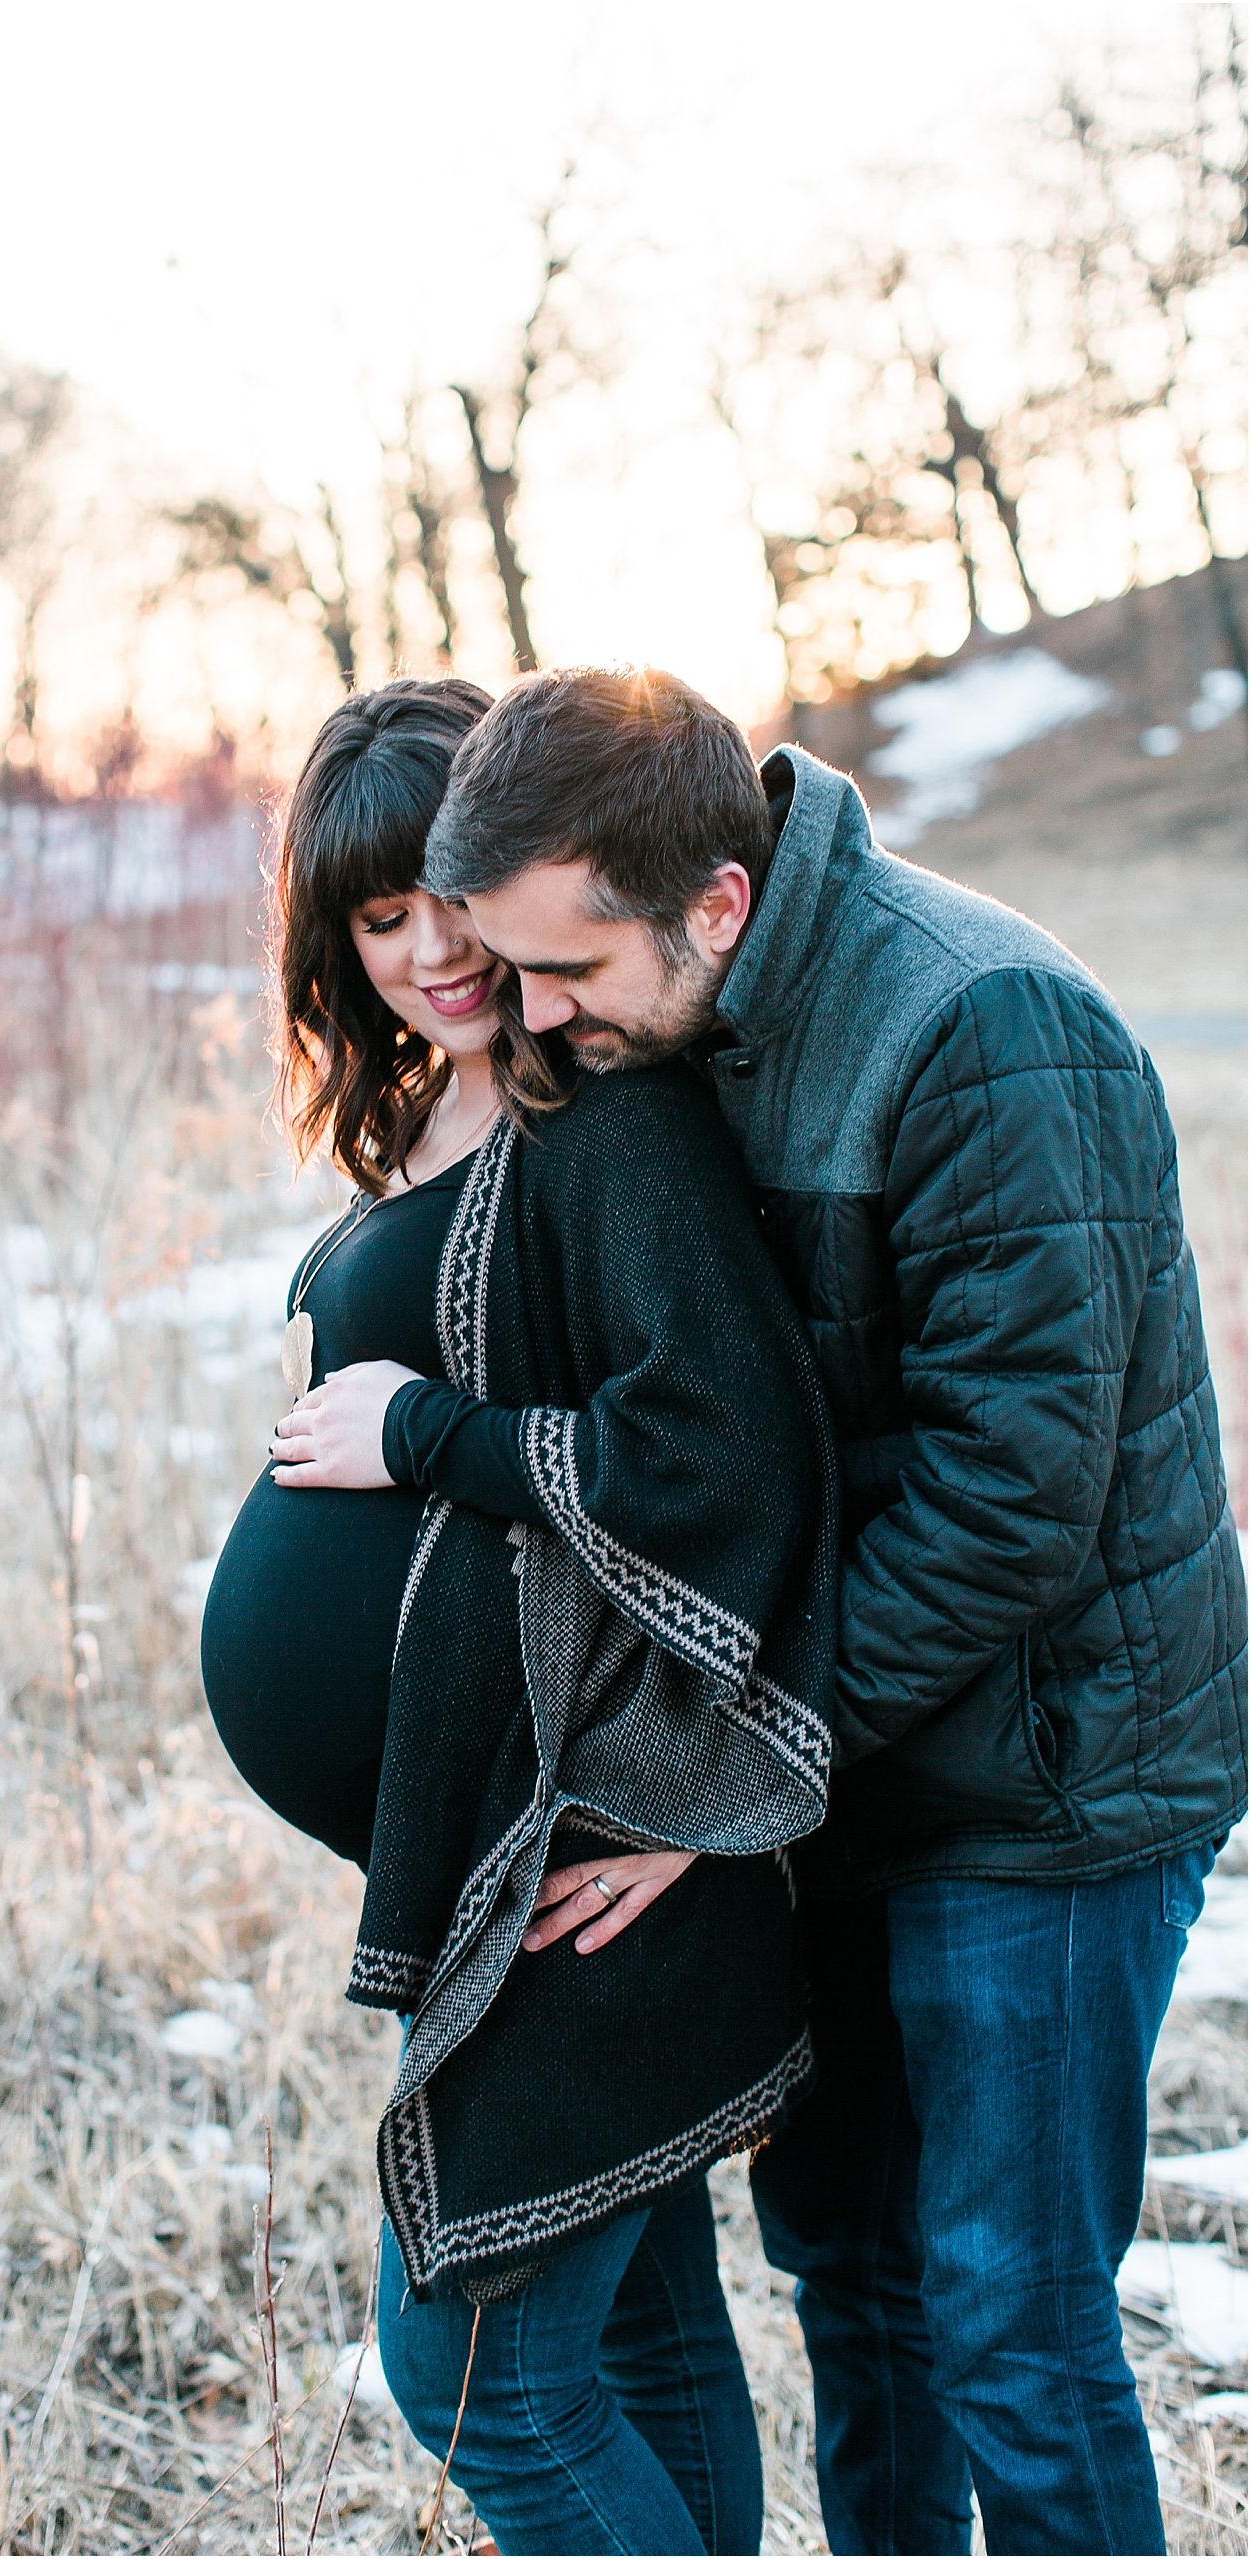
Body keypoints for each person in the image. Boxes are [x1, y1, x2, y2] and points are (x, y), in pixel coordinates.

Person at [420, 662, 1248, 2559]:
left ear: (715, 901)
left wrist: (723, 1771)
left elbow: (1008, 1504)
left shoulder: (984, 1027)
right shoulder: (671, 1016)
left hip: (1048, 1785)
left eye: (567, 971)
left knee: (1013, 2331)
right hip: (853, 1772)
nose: (533, 1016)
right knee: (855, 2286)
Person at [201, 676, 840, 2557]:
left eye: (444, 902)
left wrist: (428, 1434)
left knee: (476, 2373)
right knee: (639, 2339)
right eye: (373, 921)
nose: (424, 954)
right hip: (501, 1846)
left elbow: (727, 1455)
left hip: (584, 1853)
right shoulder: (442, 1120)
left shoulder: (599, 1120)